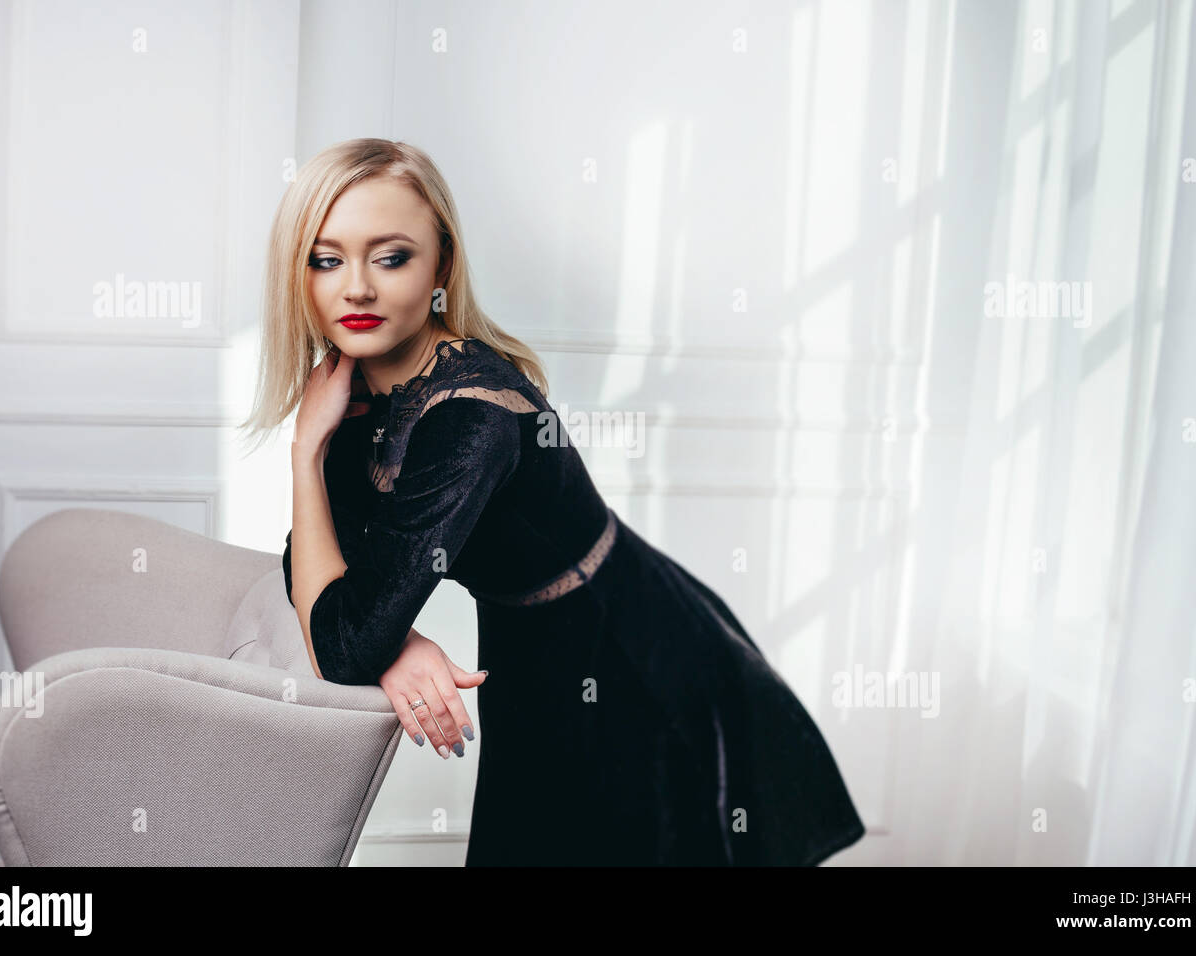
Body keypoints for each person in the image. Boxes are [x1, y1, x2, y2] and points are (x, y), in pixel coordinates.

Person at [241, 138, 865, 866]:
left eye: (390, 257)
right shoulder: (354, 393)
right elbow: (314, 571)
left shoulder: (469, 419)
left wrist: (375, 630)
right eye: (326, 258)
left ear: (441, 265)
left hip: (633, 657)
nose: (356, 288)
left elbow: (342, 641)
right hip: (534, 655)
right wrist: (311, 461)